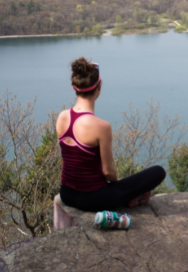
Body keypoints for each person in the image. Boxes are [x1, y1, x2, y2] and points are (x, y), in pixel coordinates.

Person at [56, 57, 166, 212]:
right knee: (158, 172)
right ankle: (130, 199)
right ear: (99, 86)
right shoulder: (102, 127)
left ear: (74, 87)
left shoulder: (62, 117)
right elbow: (107, 172)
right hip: (94, 199)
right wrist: (117, 182)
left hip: (66, 194)